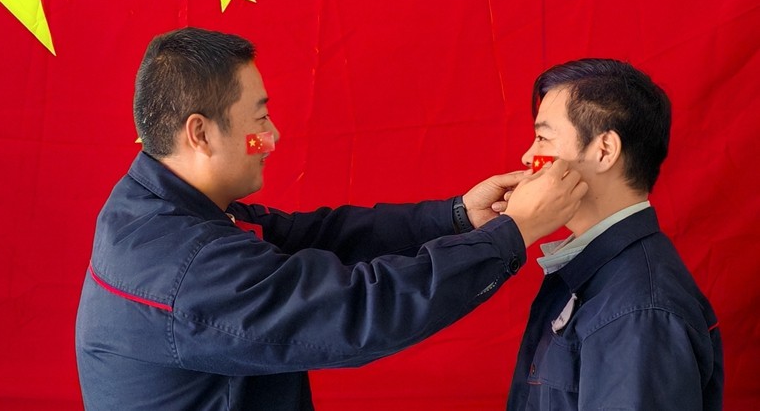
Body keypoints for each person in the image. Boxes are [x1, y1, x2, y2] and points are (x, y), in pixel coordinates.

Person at [75, 27, 587, 410]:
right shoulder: (186, 267)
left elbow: (315, 238)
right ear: (200, 133)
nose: (272, 138)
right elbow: (360, 309)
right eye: (259, 120)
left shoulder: (156, 206)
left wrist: (457, 217)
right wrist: (512, 233)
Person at [507, 58, 723, 410]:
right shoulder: (597, 279)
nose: (528, 156)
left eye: (542, 138)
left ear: (604, 150)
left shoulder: (639, 312)